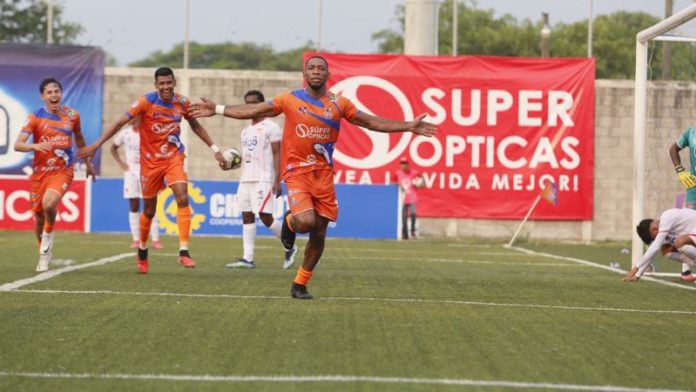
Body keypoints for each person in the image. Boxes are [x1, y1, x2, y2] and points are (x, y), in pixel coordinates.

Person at [189, 55, 437, 299]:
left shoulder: (340, 104)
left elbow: (370, 121)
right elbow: (255, 109)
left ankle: (300, 284)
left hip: (325, 176)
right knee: (306, 222)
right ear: (305, 75)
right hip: (297, 173)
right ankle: (289, 222)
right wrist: (218, 109)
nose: (316, 71)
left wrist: (408, 125)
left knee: (319, 232)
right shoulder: (290, 99)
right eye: (312, 68)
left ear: (328, 75)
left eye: (321, 68)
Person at [78, 67, 225, 274]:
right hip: (150, 165)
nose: (166, 86)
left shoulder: (182, 102)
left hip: (173, 158)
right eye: (161, 83)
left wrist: (215, 149)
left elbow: (196, 126)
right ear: (156, 85)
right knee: (149, 210)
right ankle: (143, 249)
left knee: (183, 198)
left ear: (174, 82)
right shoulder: (145, 102)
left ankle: (183, 251)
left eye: (169, 82)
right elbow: (120, 122)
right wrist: (96, 145)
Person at [13, 78, 95, 272]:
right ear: (43, 96)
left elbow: (80, 138)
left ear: (61, 93)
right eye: (49, 92)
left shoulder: (72, 115)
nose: (53, 95)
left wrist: (87, 162)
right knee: (39, 217)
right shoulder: (35, 117)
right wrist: (34, 145)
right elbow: (18, 144)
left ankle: (44, 253)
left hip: (63, 171)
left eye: (56, 91)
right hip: (40, 173)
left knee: (49, 204)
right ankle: (44, 248)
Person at [224, 90, 298, 270]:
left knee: (265, 217)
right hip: (245, 179)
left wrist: (277, 181)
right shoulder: (245, 131)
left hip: (263, 179)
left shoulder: (271, 127)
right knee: (246, 215)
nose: (250, 106)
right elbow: (248, 156)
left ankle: (290, 246)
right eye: (247, 103)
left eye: (254, 103)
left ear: (262, 104)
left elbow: (277, 153)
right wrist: (229, 163)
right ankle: (247, 259)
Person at [110, 116, 162, 249]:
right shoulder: (125, 133)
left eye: (136, 117)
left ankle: (155, 239)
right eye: (132, 118)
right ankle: (136, 239)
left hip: (147, 173)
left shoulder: (149, 131)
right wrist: (122, 164)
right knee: (133, 205)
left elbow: (158, 150)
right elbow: (113, 148)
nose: (133, 120)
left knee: (150, 206)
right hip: (131, 174)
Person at [624, 208, 696, 282]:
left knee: (679, 242)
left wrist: (636, 268)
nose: (655, 240)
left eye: (653, 238)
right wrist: (637, 275)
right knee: (666, 250)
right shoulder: (664, 228)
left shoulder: (667, 217)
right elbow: (651, 254)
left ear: (654, 229)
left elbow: (655, 247)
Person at [668, 133, 696, 281]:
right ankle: (686, 270)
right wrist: (680, 170)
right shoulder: (691, 133)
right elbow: (673, 148)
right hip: (694, 186)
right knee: (689, 224)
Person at [394, 156, 423, 240]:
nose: (403, 165)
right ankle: (405, 235)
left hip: (412, 196)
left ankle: (413, 230)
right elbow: (391, 181)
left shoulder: (413, 172)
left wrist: (419, 183)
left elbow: (421, 179)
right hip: (403, 198)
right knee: (403, 216)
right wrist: (398, 184)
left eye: (404, 163)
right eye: (401, 163)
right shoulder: (397, 173)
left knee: (413, 213)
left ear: (407, 165)